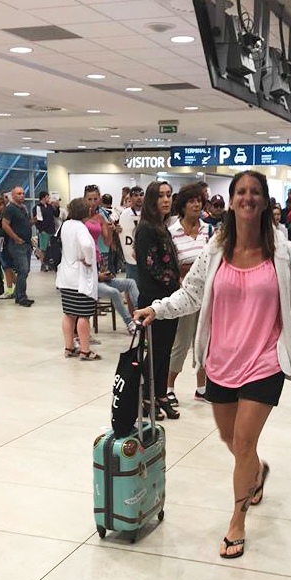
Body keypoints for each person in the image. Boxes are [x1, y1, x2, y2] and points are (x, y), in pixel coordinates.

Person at [134, 170, 291, 560]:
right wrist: (157, 308)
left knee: (244, 442)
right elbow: (191, 294)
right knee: (231, 441)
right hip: (220, 360)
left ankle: (237, 521)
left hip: (265, 361)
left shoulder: (285, 253)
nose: (247, 198)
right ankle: (256, 473)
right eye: (240, 192)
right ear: (231, 200)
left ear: (265, 200)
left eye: (255, 192)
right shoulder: (216, 249)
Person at [134, 180, 181, 421]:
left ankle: (161, 394)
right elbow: (151, 267)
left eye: (169, 195)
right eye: (161, 195)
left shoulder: (162, 227)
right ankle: (145, 396)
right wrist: (176, 281)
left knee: (165, 350)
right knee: (155, 351)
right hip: (153, 298)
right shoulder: (146, 229)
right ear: (152, 201)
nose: (166, 199)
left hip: (169, 298)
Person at [167, 183, 212, 407]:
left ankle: (202, 388)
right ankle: (168, 387)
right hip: (184, 294)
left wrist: (192, 267)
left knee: (204, 343)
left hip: (208, 295)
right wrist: (191, 269)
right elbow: (171, 265)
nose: (196, 205)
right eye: (192, 201)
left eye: (199, 201)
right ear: (183, 205)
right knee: (182, 343)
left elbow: (214, 260)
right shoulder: (172, 232)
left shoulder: (209, 230)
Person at [56, 197, 100, 360]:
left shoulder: (66, 225)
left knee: (69, 314)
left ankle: (69, 347)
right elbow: (87, 245)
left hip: (66, 277)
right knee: (83, 315)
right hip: (80, 279)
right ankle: (85, 350)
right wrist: (88, 260)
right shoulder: (81, 228)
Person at [1, 186, 34, 307]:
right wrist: (15, 238)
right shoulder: (10, 209)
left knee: (25, 270)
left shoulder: (23, 208)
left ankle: (19, 294)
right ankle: (21, 297)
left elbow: (26, 223)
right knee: (23, 270)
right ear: (13, 195)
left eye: (23, 193)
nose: (22, 195)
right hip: (17, 244)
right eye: (19, 194)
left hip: (26, 243)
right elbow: (5, 225)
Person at [117, 186, 143, 281]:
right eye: (136, 195)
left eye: (141, 195)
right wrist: (117, 230)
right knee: (132, 283)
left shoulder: (148, 212)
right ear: (131, 198)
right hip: (130, 255)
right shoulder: (125, 214)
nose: (139, 198)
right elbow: (119, 231)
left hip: (145, 257)